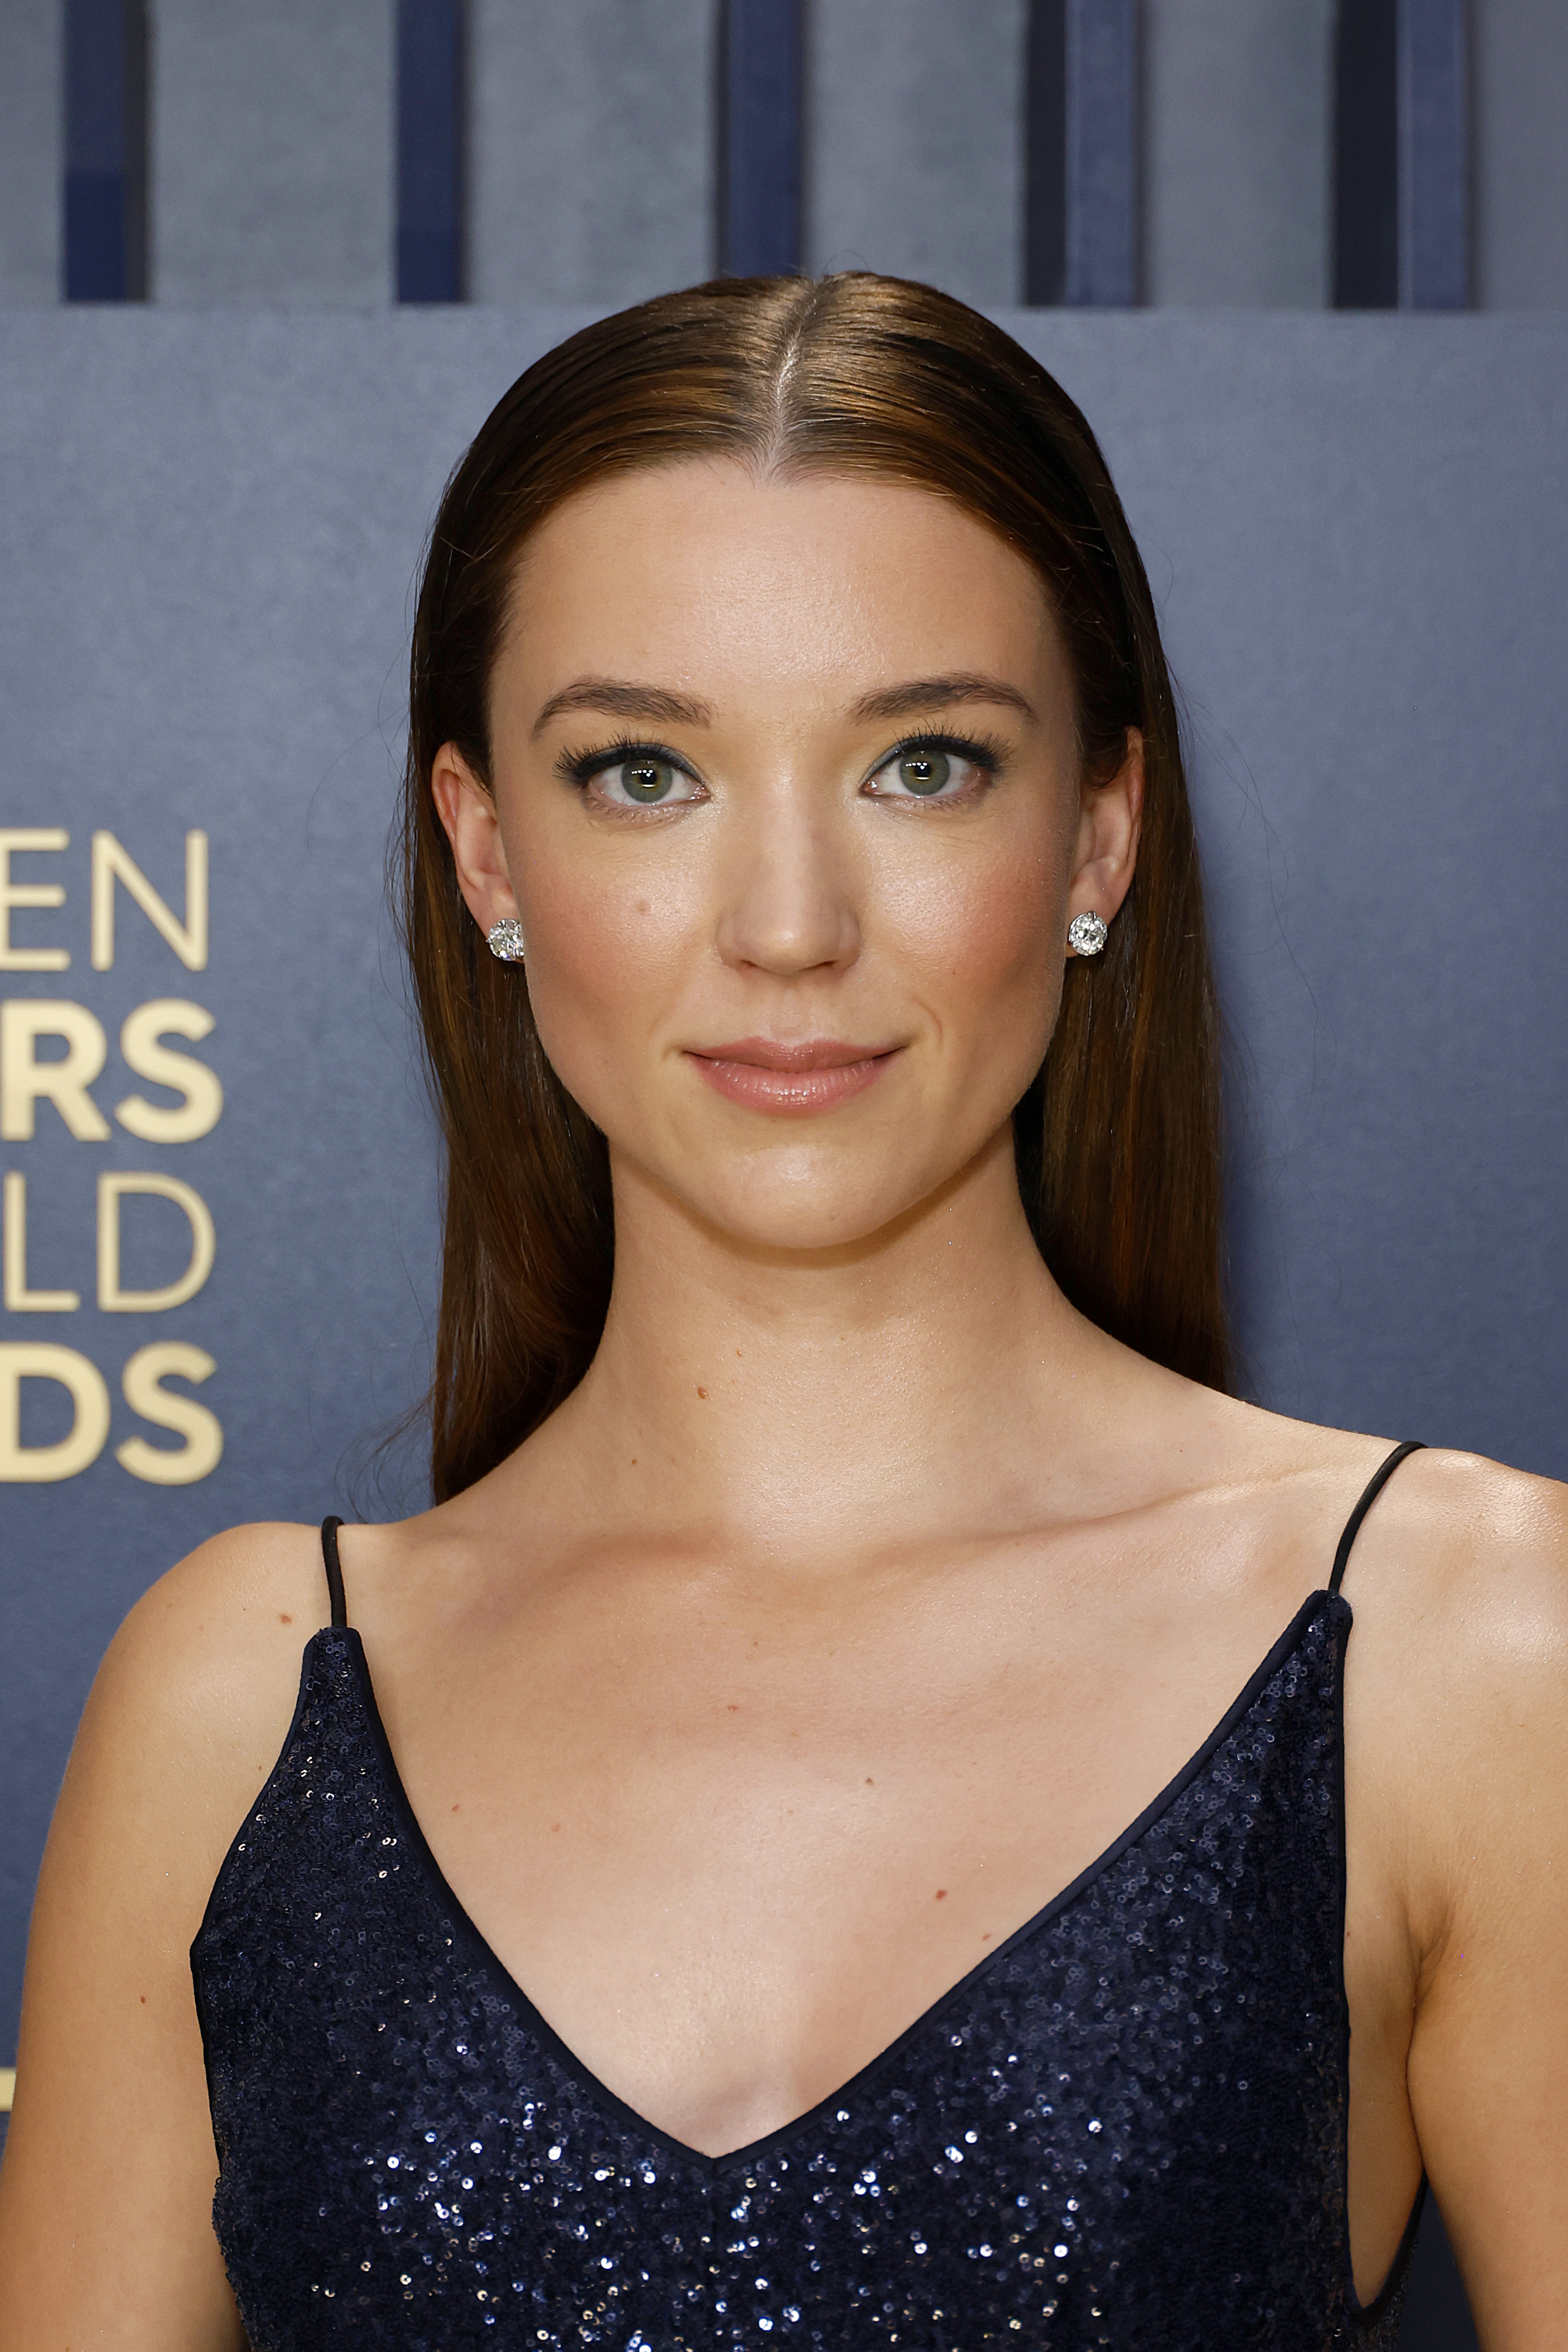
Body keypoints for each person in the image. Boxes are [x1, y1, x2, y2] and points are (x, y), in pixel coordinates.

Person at [0, 273, 1562, 2351]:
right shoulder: (242, 1698)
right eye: (643, 774)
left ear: (1100, 827)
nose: (788, 929)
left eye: (920, 764)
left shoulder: (1466, 1656)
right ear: (483, 850)